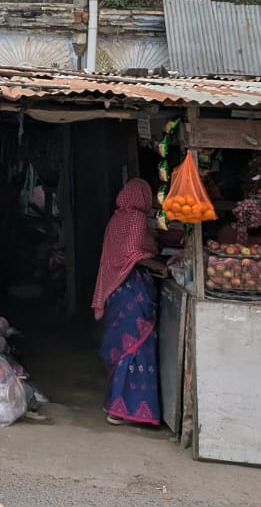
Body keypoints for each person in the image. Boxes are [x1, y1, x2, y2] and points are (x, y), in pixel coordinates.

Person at [92, 177, 167, 427]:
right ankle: (125, 410)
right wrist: (161, 267)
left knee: (123, 349)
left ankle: (116, 405)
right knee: (135, 349)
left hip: (117, 292)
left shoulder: (116, 219)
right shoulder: (135, 219)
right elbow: (134, 254)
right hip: (132, 290)